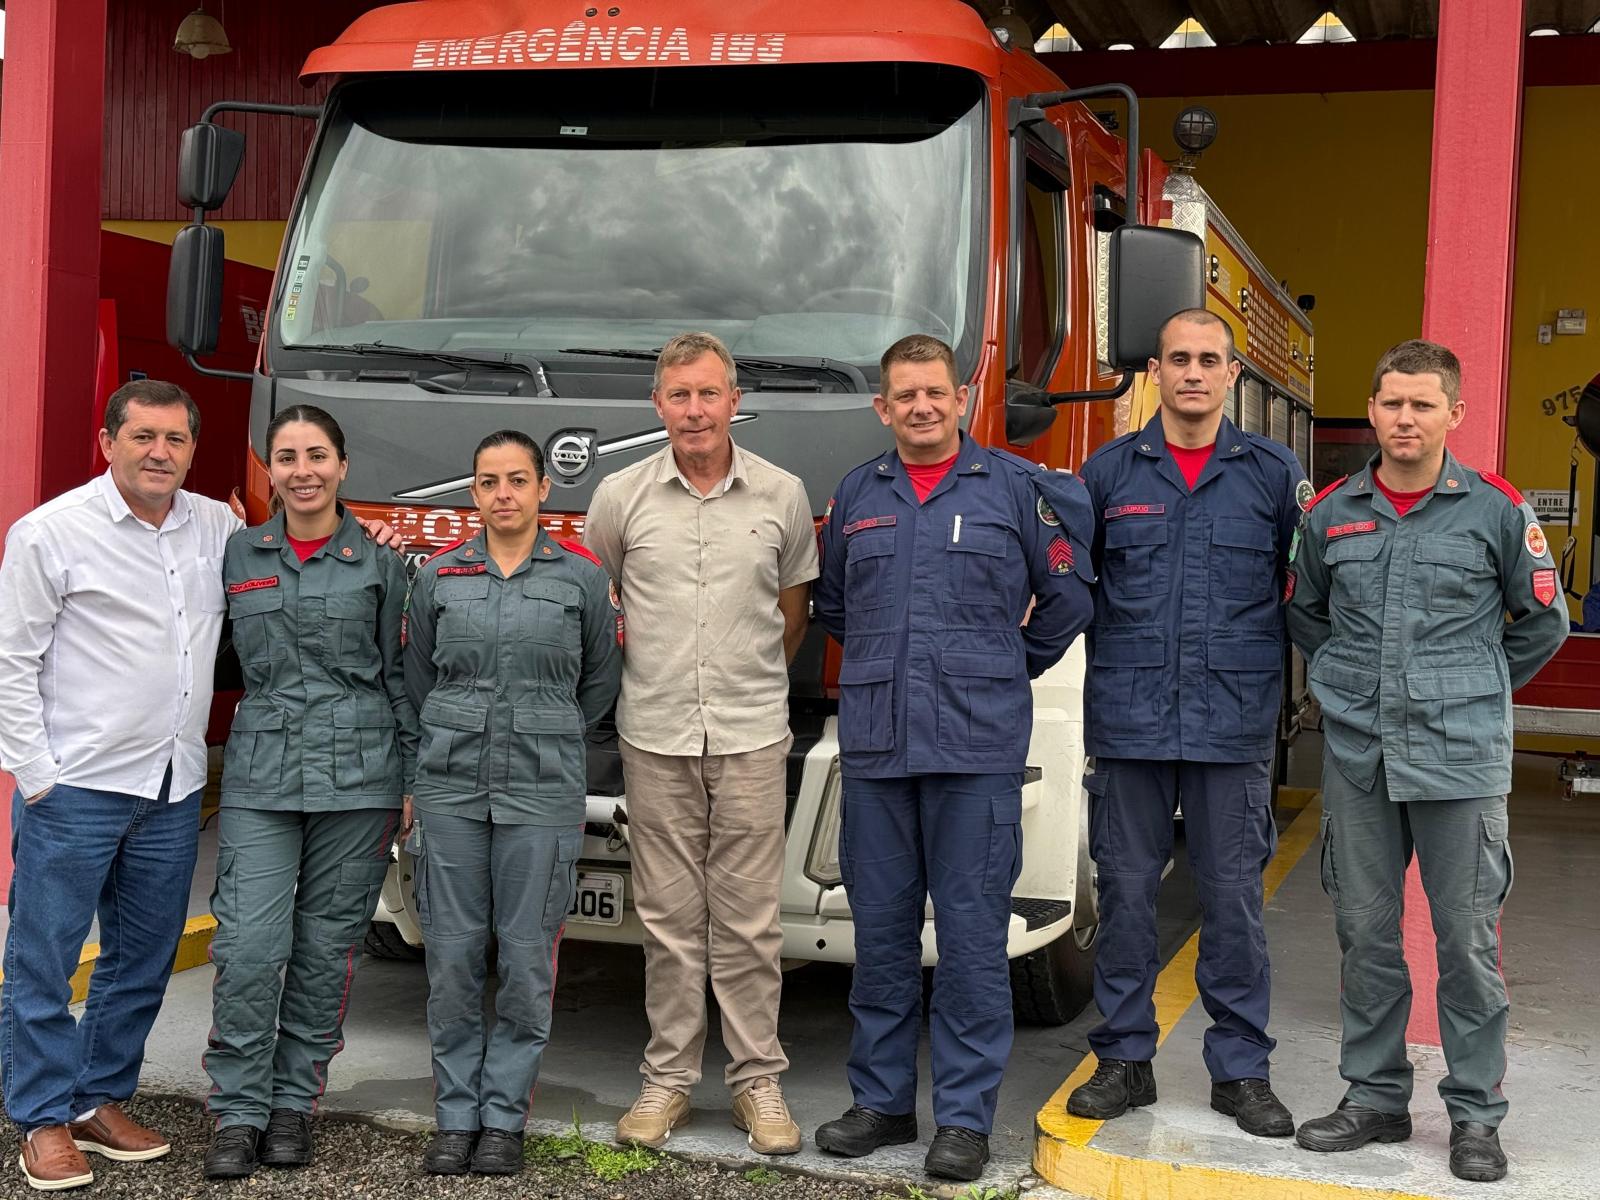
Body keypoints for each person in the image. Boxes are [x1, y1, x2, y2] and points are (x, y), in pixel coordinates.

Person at [0, 380, 397, 1193]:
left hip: (173, 787)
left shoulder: (216, 528)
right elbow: (13, 660)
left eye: (175, 439)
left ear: (191, 450)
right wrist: (36, 776)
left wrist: (370, 536)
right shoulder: (50, 533)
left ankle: (97, 1099)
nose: (159, 453)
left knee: (140, 961)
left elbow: (303, 559)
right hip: (76, 787)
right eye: (142, 436)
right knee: (43, 960)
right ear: (107, 442)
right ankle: (40, 1118)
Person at [812, 334, 1095, 1182]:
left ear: (962, 399)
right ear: (883, 407)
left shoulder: (1015, 488)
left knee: (971, 942)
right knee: (881, 935)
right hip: (878, 749)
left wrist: (1002, 666)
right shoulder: (858, 494)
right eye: (905, 395)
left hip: (975, 750)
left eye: (935, 391)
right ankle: (882, 1104)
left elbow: (1067, 598)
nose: (922, 407)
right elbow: (836, 605)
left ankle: (965, 1120)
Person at [1286, 340, 1567, 1183]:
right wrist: (1353, 687)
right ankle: (1375, 1098)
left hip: (1460, 760)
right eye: (1392, 403)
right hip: (1360, 756)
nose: (1405, 418)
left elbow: (1542, 623)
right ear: (1373, 411)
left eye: (1423, 404)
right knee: (1364, 932)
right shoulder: (1330, 515)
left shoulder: (1495, 511)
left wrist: (1469, 690)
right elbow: (1306, 614)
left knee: (1466, 940)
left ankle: (1475, 1114)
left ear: (1455, 413)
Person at [1066, 309, 1305, 1138]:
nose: (1193, 373)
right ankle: (1124, 1062)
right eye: (1178, 359)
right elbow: (1071, 588)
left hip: (1231, 724)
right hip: (1129, 721)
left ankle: (1240, 1071)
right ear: (1156, 373)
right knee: (1127, 894)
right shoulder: (1108, 474)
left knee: (1233, 900)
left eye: (1209, 359)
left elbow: (1305, 592)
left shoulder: (1272, 473)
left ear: (1232, 374)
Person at [584, 332, 817, 1156]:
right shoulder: (620, 497)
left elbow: (792, 613)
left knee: (751, 923)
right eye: (679, 396)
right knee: (669, 920)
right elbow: (601, 599)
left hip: (751, 736)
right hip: (655, 738)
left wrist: (743, 681)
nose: (694, 411)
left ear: (734, 401)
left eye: (708, 394)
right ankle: (669, 1081)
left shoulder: (781, 495)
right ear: (658, 405)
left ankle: (758, 1083)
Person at [201, 406, 419, 1178]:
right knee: (248, 947)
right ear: (271, 469)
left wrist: (411, 780)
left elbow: (403, 676)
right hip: (262, 777)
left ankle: (294, 1103)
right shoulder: (237, 552)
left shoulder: (382, 561)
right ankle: (238, 1110)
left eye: (317, 455)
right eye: (288, 457)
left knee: (326, 950)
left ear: (342, 465)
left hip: (359, 779)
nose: (303, 471)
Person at [404, 430, 621, 1176]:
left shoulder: (581, 579)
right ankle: (455, 1115)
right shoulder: (438, 577)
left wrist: (542, 732)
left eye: (518, 480)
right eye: (490, 481)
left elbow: (599, 682)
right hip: (452, 787)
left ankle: (503, 1119)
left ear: (542, 489)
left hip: (541, 787)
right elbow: (418, 680)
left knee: (527, 960)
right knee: (453, 958)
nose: (504, 494)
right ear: (474, 491)